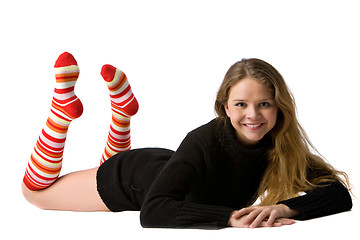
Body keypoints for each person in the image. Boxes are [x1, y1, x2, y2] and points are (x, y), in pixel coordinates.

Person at [22, 52, 352, 229]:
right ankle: (59, 114)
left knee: (102, 163)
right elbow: (152, 212)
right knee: (34, 193)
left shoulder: (278, 146)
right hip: (129, 181)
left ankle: (122, 112)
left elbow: (338, 195)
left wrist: (285, 207)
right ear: (225, 107)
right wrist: (228, 218)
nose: (253, 114)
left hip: (159, 165)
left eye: (264, 103)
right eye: (241, 104)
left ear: (279, 107)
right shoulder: (206, 138)